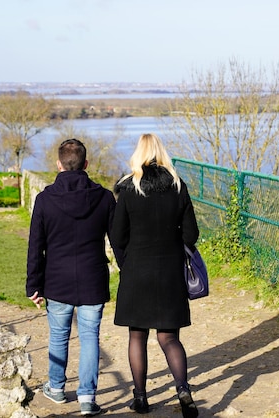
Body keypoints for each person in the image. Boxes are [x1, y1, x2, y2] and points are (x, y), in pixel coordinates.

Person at [109, 133, 200, 417]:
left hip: (137, 270)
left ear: (138, 153)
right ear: (161, 153)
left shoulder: (127, 187)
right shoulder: (178, 185)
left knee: (137, 337)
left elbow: (116, 234)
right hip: (170, 271)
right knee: (169, 338)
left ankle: (140, 398)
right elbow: (191, 234)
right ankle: (183, 389)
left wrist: (126, 262)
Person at [26, 138, 116, 416]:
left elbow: (35, 246)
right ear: (86, 164)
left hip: (56, 280)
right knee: (90, 337)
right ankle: (87, 398)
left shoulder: (45, 199)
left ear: (59, 164)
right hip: (93, 278)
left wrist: (33, 285)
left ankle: (55, 387)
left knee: (59, 336)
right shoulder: (104, 197)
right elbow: (118, 241)